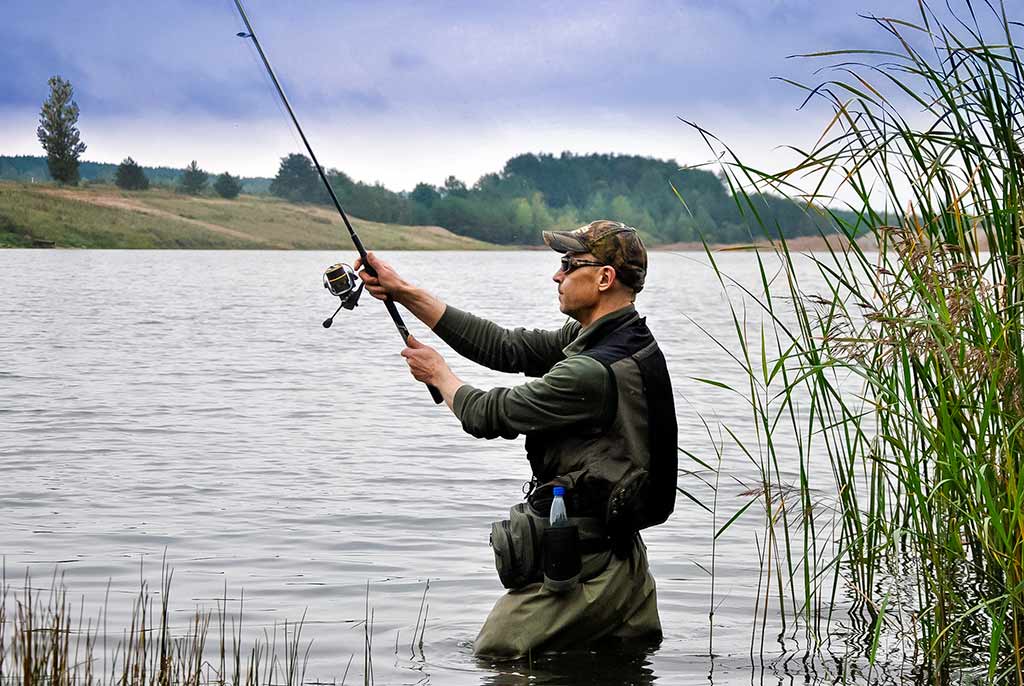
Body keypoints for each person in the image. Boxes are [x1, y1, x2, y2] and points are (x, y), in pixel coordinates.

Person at [354, 220, 678, 659]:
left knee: (498, 655)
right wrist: (403, 292)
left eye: (569, 264)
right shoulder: (619, 337)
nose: (557, 275)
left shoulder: (591, 371)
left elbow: (489, 414)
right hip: (624, 560)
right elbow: (507, 347)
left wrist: (439, 375)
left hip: (590, 567)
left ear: (604, 278)